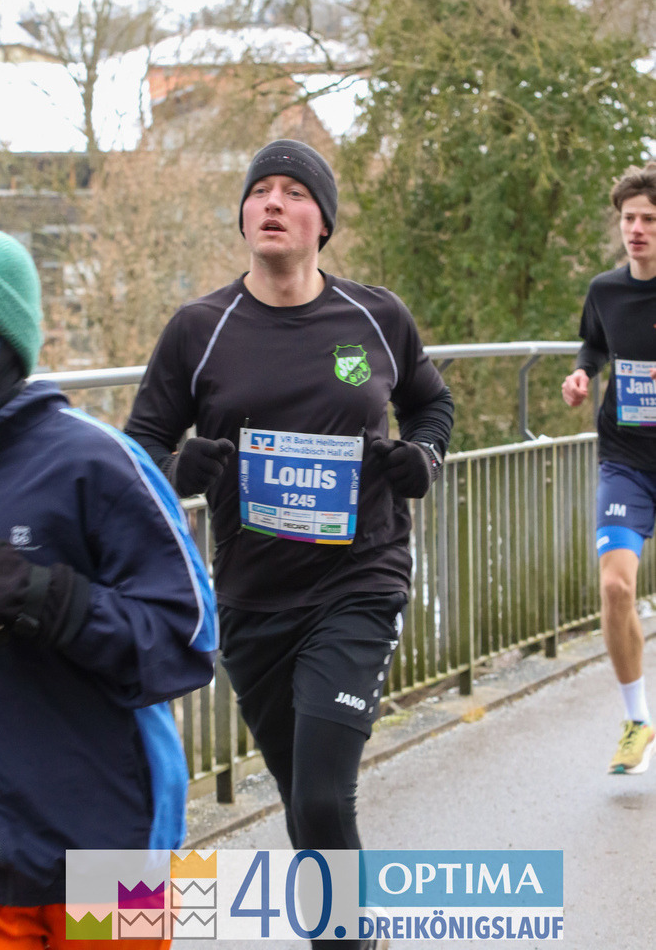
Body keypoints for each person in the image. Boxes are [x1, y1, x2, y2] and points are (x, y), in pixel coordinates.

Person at [126, 139, 454, 950]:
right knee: (299, 799)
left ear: (322, 221)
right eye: (259, 191)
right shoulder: (199, 329)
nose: (271, 202)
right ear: (243, 215)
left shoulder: (376, 317)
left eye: (292, 191)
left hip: (359, 583)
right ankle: (343, 937)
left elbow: (430, 404)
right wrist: (179, 466)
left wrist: (421, 459)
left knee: (318, 797)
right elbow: (134, 454)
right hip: (251, 600)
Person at [0, 227, 218, 949]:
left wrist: (36, 596)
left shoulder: (94, 459)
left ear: (0, 326)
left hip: (116, 851)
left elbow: (187, 641)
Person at [561, 161, 656, 776]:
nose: (638, 229)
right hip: (627, 460)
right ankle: (637, 722)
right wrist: (581, 374)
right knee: (616, 586)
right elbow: (594, 343)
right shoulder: (605, 290)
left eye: (649, 219)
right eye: (630, 218)